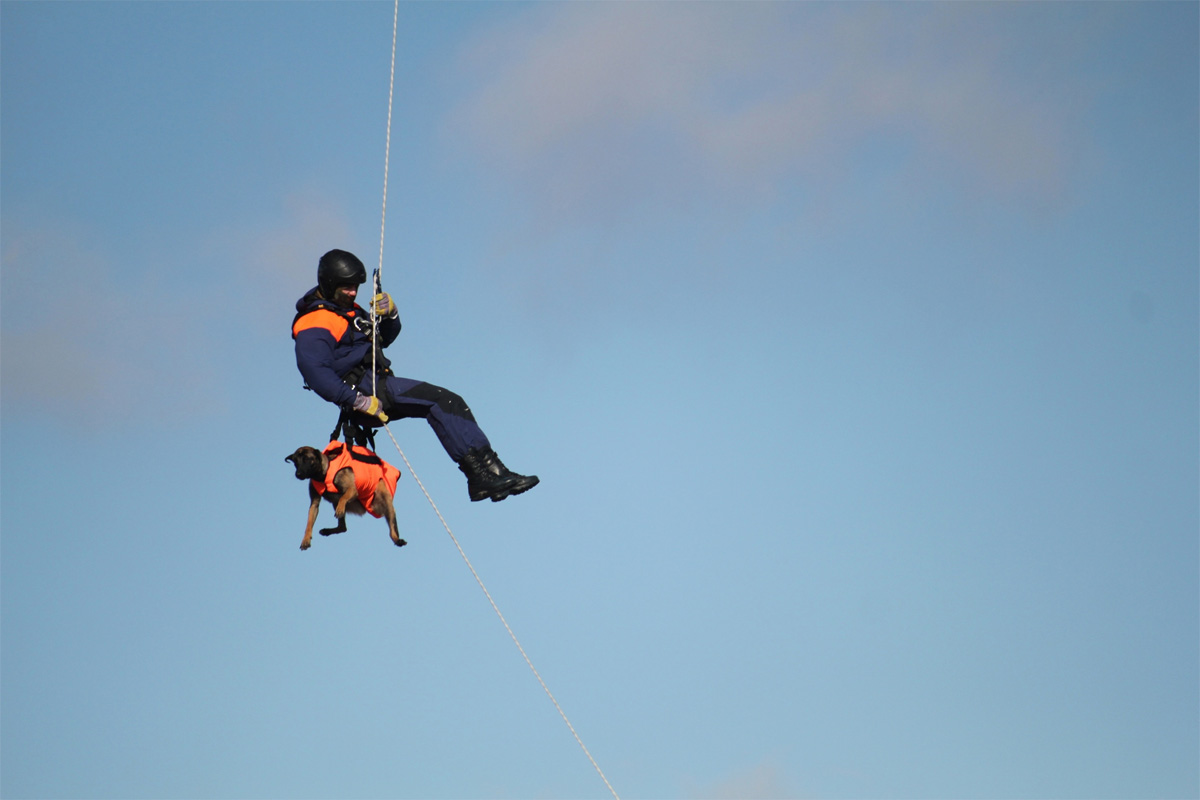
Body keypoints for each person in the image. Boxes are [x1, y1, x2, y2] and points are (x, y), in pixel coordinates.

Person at [292, 249, 538, 502]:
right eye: (346, 287)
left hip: (377, 386)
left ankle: (492, 474)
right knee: (444, 400)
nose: (353, 292)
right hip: (365, 391)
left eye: (355, 286)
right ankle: (481, 477)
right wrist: (358, 401)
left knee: (443, 404)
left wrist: (390, 314)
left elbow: (381, 340)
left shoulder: (347, 312)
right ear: (330, 284)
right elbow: (314, 371)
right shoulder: (316, 321)